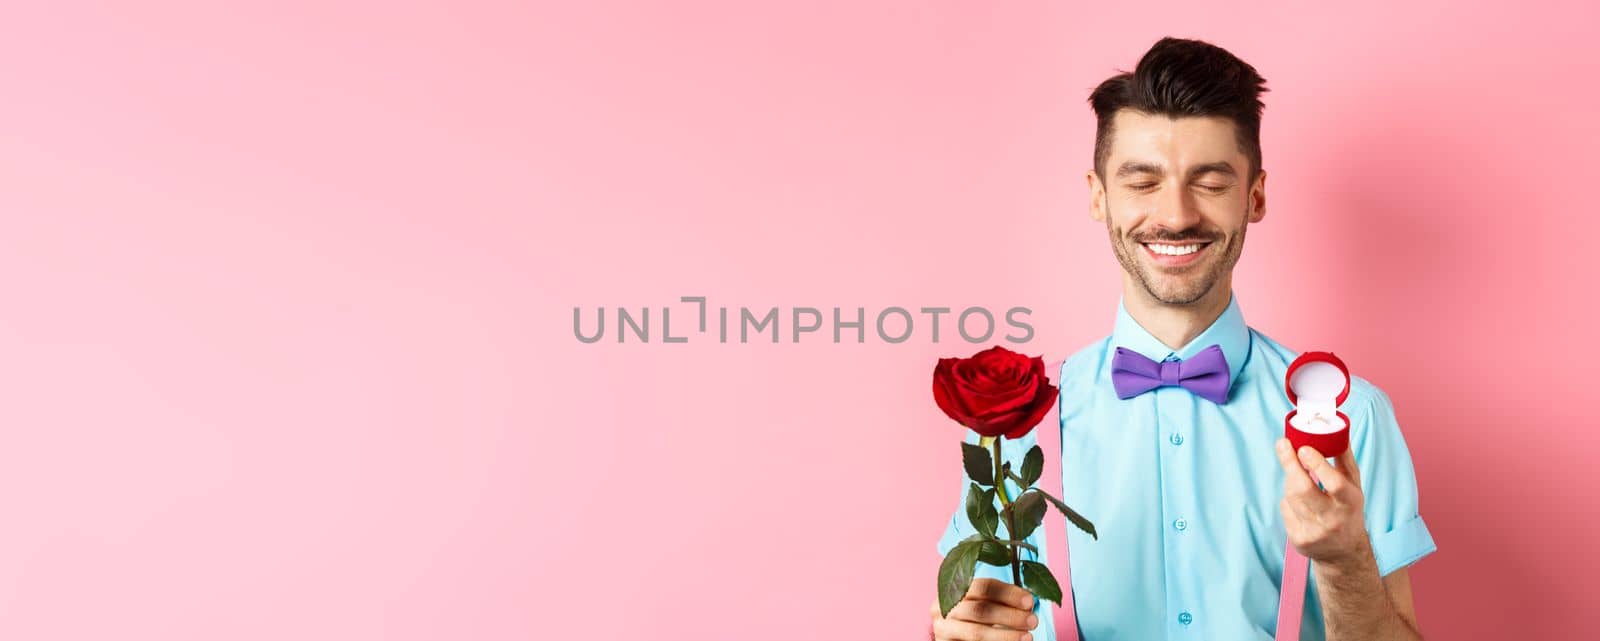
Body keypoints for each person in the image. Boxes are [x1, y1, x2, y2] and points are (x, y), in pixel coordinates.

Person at [928, 36, 1436, 641]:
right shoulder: (1011, 422)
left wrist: (1344, 560)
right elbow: (977, 621)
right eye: (1142, 181)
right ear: (1098, 195)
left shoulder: (1354, 417)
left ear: (1256, 195)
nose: (1175, 214)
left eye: (1211, 181)